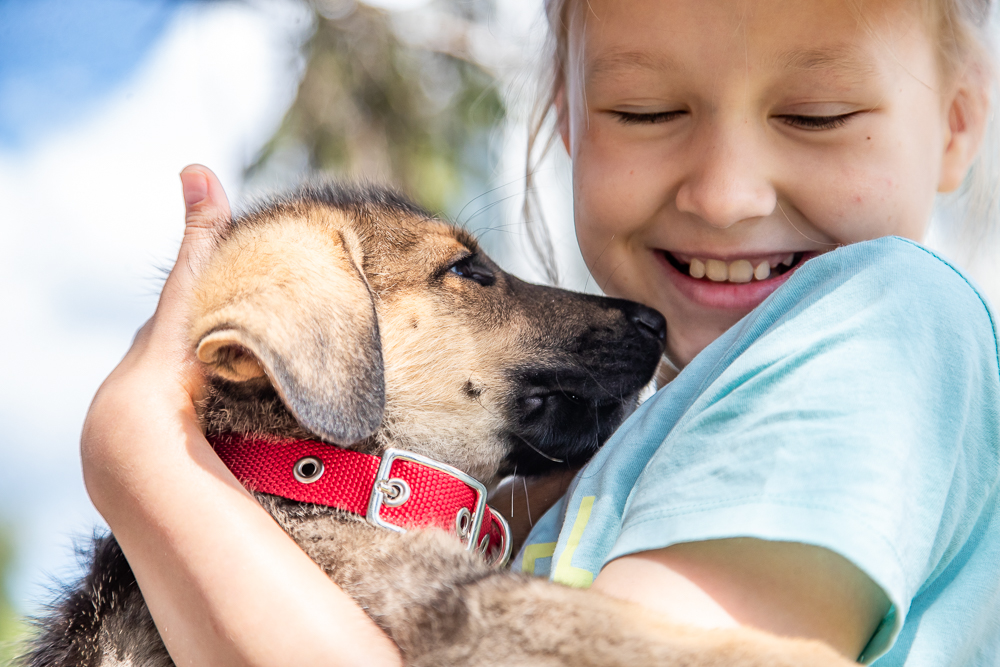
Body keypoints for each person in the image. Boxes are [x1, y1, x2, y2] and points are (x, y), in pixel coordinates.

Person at [81, 0, 999, 665]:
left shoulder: (887, 325)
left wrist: (152, 468)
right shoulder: (586, 487)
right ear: (567, 120)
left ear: (961, 122)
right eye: (648, 111)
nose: (726, 196)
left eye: (817, 115)